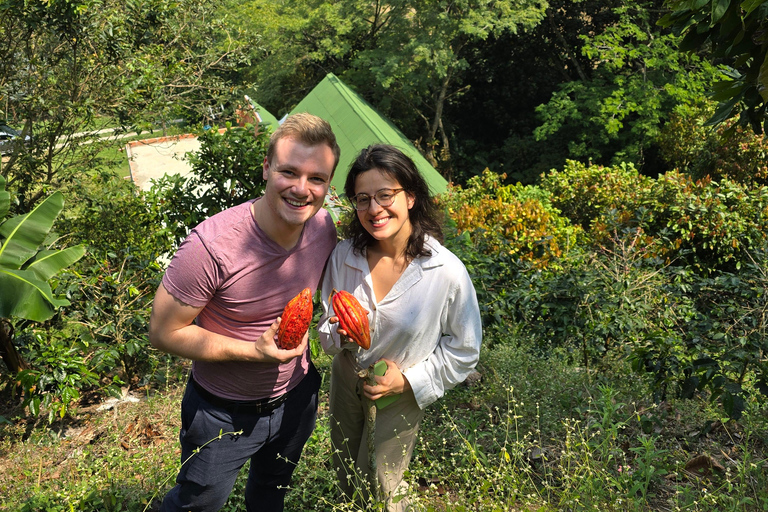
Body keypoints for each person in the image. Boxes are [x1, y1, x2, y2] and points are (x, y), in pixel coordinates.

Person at [148, 112, 340, 512]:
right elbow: (163, 332)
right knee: (196, 505)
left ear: (327, 184)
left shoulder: (324, 228)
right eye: (289, 171)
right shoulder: (211, 246)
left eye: (317, 178)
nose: (302, 189)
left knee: (271, 494)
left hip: (296, 398)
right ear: (267, 168)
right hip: (221, 412)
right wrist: (253, 351)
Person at [317, 144, 482, 511]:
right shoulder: (344, 256)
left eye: (385, 195)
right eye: (363, 199)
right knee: (345, 471)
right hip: (346, 377)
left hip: (398, 389)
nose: (374, 209)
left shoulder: (445, 271)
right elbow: (325, 324)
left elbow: (465, 348)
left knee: (382, 484)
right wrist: (335, 334)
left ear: (410, 197)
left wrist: (407, 381)